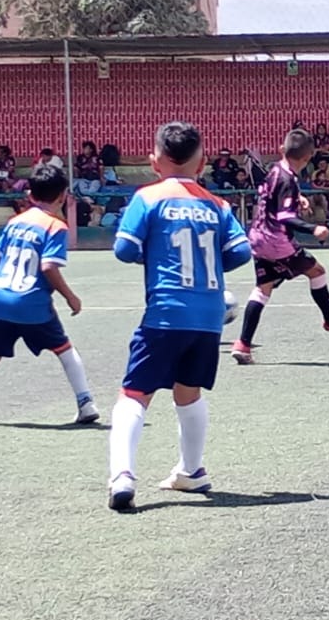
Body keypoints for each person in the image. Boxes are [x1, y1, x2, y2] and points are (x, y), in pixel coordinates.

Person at [106, 121, 253, 511]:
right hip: (209, 316)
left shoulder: (148, 197)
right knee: (188, 391)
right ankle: (191, 470)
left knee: (134, 393)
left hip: (166, 312)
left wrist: (156, 255)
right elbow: (241, 252)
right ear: (202, 163)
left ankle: (122, 476)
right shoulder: (218, 204)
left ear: (154, 162)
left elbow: (124, 249)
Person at [0, 165, 98, 427]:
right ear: (62, 196)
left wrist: (8, 281)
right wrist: (70, 296)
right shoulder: (55, 226)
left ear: (30, 194)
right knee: (64, 350)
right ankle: (85, 403)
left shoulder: (15, 221)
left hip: (2, 300)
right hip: (33, 303)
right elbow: (48, 266)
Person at [230, 128, 329, 366]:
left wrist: (298, 197)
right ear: (308, 157)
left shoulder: (275, 170)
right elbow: (285, 217)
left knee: (263, 289)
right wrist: (314, 229)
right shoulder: (288, 180)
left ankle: (242, 344)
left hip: (257, 238)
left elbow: (274, 196)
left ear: (282, 150)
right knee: (317, 271)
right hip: (277, 242)